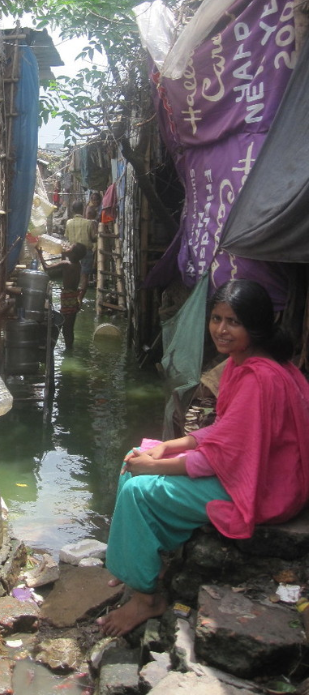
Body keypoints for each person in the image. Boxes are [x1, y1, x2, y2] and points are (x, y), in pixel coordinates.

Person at [98, 279, 309, 637]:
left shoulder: (259, 378)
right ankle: (134, 563)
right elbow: (228, 432)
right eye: (216, 318)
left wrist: (157, 465)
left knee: (138, 488)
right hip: (259, 471)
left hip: (264, 487)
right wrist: (172, 445)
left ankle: (147, 598)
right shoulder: (247, 364)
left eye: (233, 322)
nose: (221, 330)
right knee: (136, 454)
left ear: (254, 327)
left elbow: (224, 457)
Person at [36, 242, 87, 350]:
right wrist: (64, 252)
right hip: (73, 297)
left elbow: (46, 268)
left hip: (67, 298)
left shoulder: (66, 264)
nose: (67, 249)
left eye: (70, 248)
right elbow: (65, 262)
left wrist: (40, 254)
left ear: (73, 254)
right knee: (70, 327)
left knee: (66, 328)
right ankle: (69, 347)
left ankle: (68, 350)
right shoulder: (77, 264)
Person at [64, 200, 97, 302]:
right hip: (86, 252)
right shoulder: (89, 223)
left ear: (72, 210)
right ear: (83, 210)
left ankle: (72, 296)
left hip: (73, 253)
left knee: (73, 273)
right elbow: (93, 238)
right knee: (84, 276)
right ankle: (80, 299)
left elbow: (67, 237)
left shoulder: (68, 222)